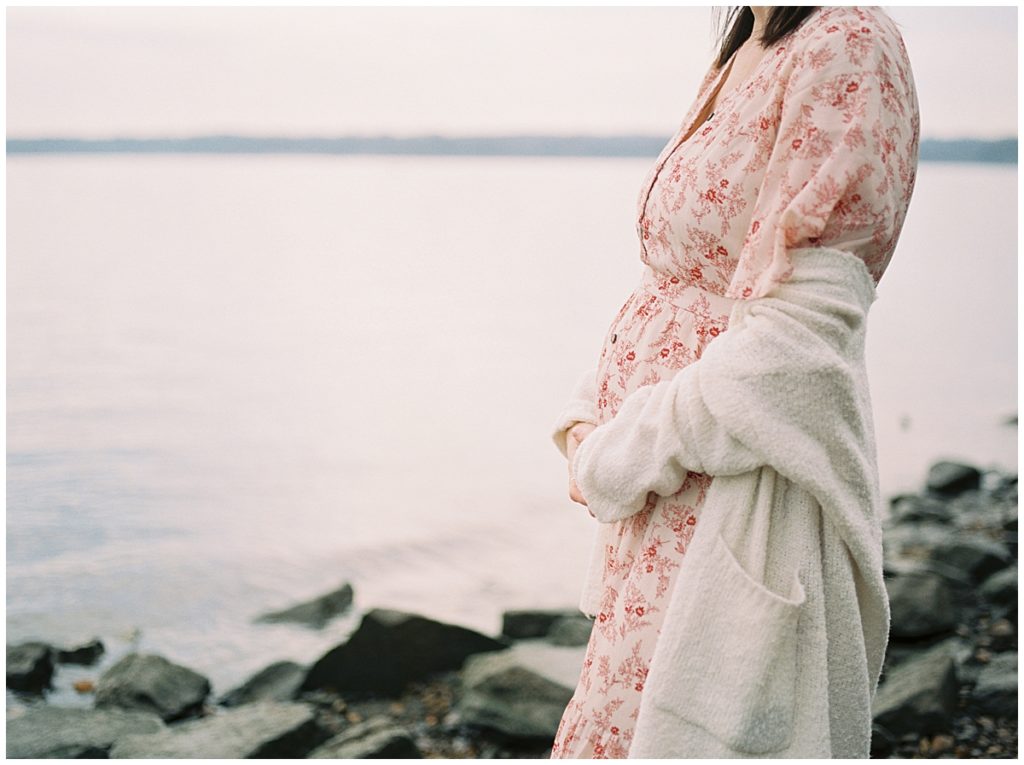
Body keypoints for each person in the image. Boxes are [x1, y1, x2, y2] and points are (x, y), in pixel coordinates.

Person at [549, 5, 919, 759]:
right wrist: (592, 408)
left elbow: (800, 344)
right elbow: (681, 275)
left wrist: (620, 452)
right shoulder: (748, 41)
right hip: (663, 500)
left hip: (727, 499)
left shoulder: (848, 40)